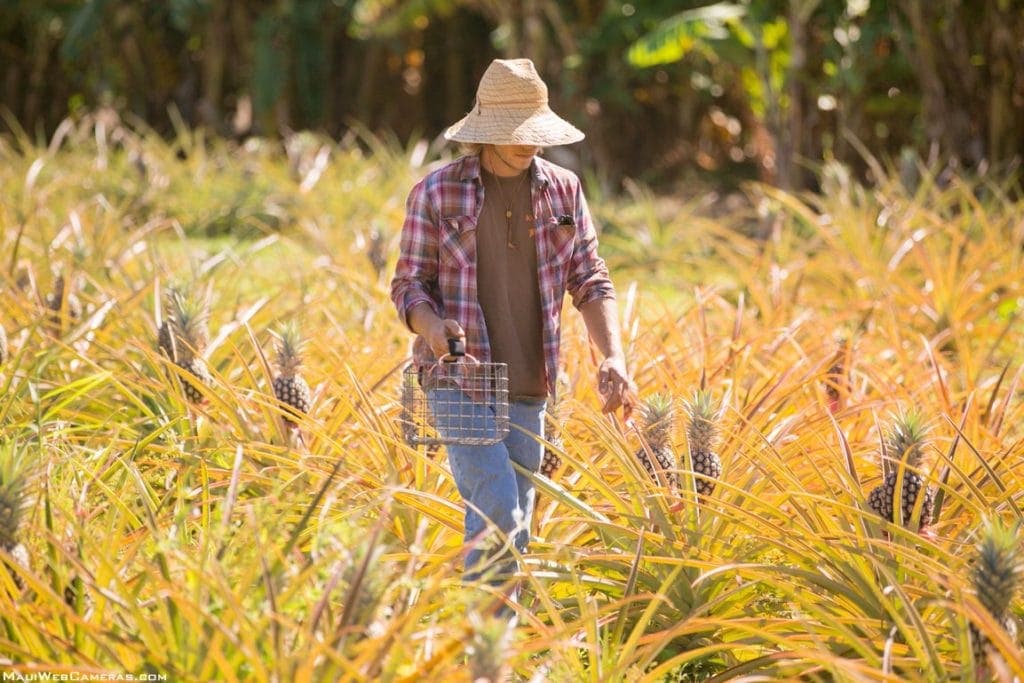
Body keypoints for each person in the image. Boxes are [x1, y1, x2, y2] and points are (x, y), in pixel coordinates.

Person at [390, 58, 635, 591]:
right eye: (514, 133)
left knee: (513, 523)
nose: (528, 143)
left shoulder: (564, 190)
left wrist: (613, 355)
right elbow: (408, 284)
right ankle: (489, 648)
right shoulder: (436, 193)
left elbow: (591, 277)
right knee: (500, 508)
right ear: (486, 133)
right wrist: (432, 329)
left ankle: (495, 651)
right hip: (459, 379)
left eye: (533, 131)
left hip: (532, 381)